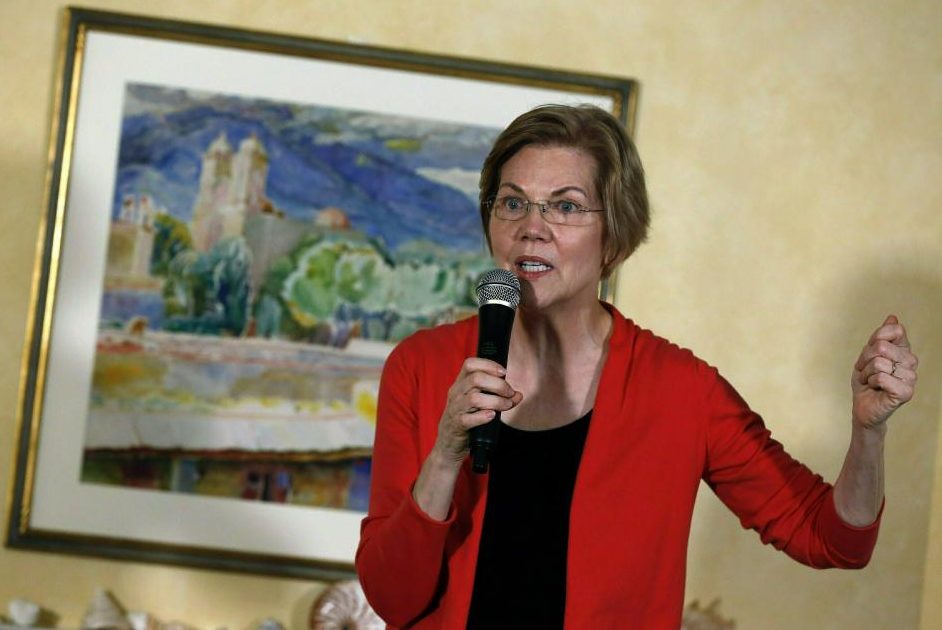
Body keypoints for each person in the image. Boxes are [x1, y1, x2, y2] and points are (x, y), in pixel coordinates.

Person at [354, 104, 918, 629]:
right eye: (513, 202)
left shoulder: (681, 391)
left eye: (566, 206)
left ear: (614, 237)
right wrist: (446, 453)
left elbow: (832, 539)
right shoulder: (422, 368)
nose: (533, 225)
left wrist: (868, 432)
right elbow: (390, 595)